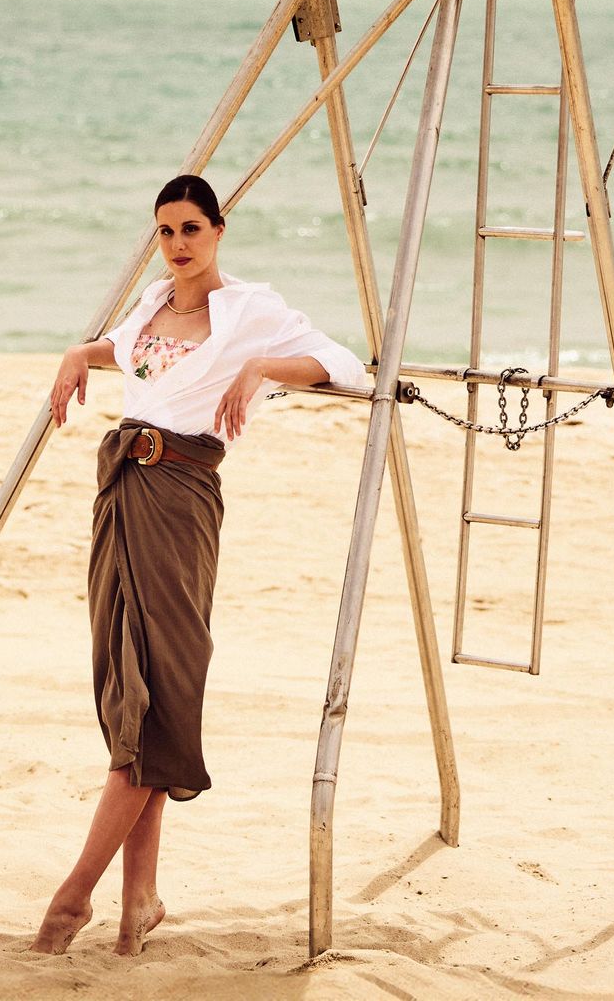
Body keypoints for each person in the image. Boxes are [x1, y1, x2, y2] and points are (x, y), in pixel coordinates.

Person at [30, 173, 368, 956]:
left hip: (180, 499)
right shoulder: (153, 301)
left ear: (218, 230)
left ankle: (71, 902)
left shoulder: (250, 310)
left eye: (191, 228)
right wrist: (80, 352)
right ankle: (139, 901)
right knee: (127, 686)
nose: (178, 244)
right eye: (166, 231)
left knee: (160, 693)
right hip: (120, 490)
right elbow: (128, 356)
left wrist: (263, 368)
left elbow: (344, 362)